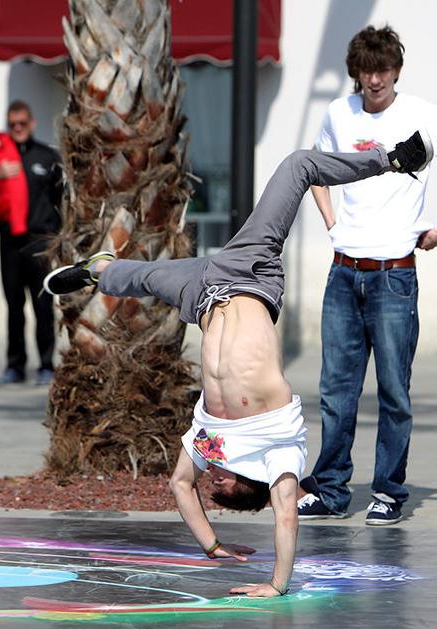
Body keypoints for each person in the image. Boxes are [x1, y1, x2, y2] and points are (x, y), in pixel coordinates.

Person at [43, 133, 431, 596]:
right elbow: (285, 515)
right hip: (249, 271)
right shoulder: (277, 447)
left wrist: (212, 545)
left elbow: (180, 485)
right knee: (299, 165)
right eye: (222, 483)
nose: (213, 475)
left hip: (201, 293)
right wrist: (277, 584)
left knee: (140, 277)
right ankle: (392, 160)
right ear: (248, 481)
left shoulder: (210, 440)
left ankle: (96, 269)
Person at [297, 25, 437, 526]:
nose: (374, 80)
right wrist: (332, 223)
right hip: (344, 272)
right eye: (366, 71)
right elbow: (314, 168)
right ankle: (332, 489)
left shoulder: (422, 114)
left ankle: (389, 491)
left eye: (383, 70)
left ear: (396, 70)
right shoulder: (339, 113)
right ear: (355, 72)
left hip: (394, 275)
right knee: (336, 391)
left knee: (394, 391)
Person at [0, 101, 63, 386]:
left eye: (22, 123)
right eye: (13, 124)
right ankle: (15, 366)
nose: (18, 128)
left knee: (43, 304)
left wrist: (59, 236)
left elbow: (62, 200)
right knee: (14, 306)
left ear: (31, 123)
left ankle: (46, 365)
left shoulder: (47, 157)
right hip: (10, 242)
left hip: (40, 240)